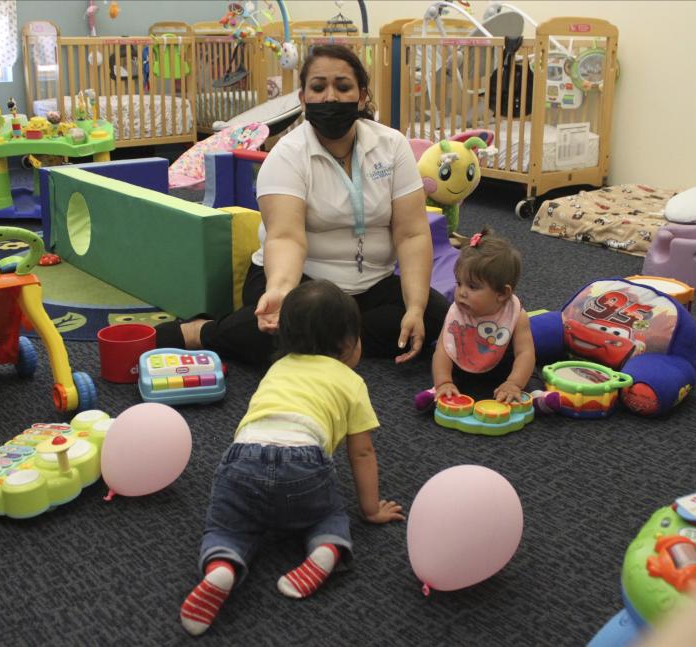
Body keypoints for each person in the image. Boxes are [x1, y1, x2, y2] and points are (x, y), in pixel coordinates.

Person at [156, 44, 448, 366]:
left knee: (435, 315)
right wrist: (281, 291)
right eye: (319, 87)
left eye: (343, 86)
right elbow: (286, 238)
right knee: (285, 326)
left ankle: (322, 341)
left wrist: (416, 307)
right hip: (301, 281)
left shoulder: (392, 146)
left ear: (362, 96)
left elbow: (411, 234)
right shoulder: (287, 155)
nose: (331, 98)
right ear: (303, 98)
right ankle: (203, 331)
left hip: (371, 285)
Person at [178, 280, 405, 637]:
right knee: (329, 514)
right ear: (348, 344)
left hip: (242, 459)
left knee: (229, 525)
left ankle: (222, 564)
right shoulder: (351, 381)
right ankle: (326, 549)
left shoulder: (278, 367)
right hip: (305, 465)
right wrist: (371, 508)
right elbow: (361, 451)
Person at [430, 229, 549, 406]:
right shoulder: (456, 312)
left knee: (529, 371)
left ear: (502, 293)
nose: (462, 292)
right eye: (459, 283)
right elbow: (442, 350)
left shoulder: (516, 315)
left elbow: (525, 353)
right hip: (465, 366)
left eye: (472, 286)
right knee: (448, 374)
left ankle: (537, 397)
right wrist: (443, 381)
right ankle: (439, 394)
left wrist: (513, 383)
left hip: (504, 368)